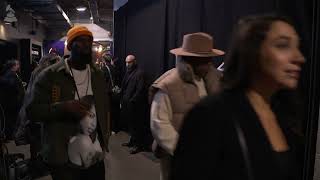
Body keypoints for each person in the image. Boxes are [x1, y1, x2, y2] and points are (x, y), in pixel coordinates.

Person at [171, 14, 305, 180]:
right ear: (253, 52)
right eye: (283, 45)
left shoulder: (283, 116)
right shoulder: (210, 113)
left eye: (297, 46)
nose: (299, 58)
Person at [26, 26, 111, 180]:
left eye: (89, 41)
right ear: (70, 46)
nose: (86, 45)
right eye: (81, 41)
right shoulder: (50, 75)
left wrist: (105, 138)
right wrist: (64, 107)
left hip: (95, 153)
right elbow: (32, 111)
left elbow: (104, 109)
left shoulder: (98, 75)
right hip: (63, 157)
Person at [149, 32, 224, 180]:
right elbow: (159, 124)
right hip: (177, 159)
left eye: (209, 59)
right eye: (204, 60)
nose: (209, 64)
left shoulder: (214, 80)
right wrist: (186, 150)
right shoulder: (168, 84)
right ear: (190, 59)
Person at [120, 55, 150, 154]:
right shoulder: (128, 73)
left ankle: (138, 145)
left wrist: (132, 101)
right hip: (128, 104)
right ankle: (132, 141)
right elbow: (124, 87)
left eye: (130, 62)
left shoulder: (140, 73)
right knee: (131, 125)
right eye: (126, 62)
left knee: (137, 125)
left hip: (136, 106)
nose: (127, 64)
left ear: (135, 62)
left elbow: (140, 90)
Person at [0, 60, 25, 140]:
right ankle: (9, 135)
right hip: (11, 101)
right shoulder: (9, 74)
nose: (18, 66)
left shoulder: (14, 74)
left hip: (13, 100)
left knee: (12, 118)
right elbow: (11, 85)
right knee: (11, 119)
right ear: (13, 66)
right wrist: (18, 86)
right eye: (17, 64)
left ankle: (11, 134)